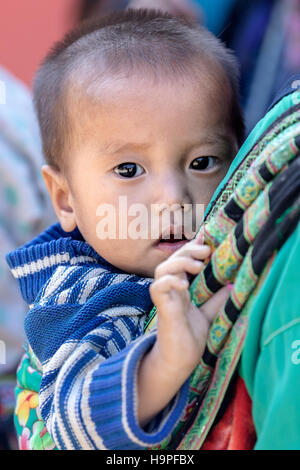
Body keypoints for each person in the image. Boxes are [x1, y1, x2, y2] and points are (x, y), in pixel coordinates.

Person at [6, 9, 244, 450]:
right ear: (65, 198)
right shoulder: (79, 295)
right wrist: (165, 363)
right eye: (129, 169)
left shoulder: (234, 246)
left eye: (202, 163)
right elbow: (75, 422)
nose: (173, 199)